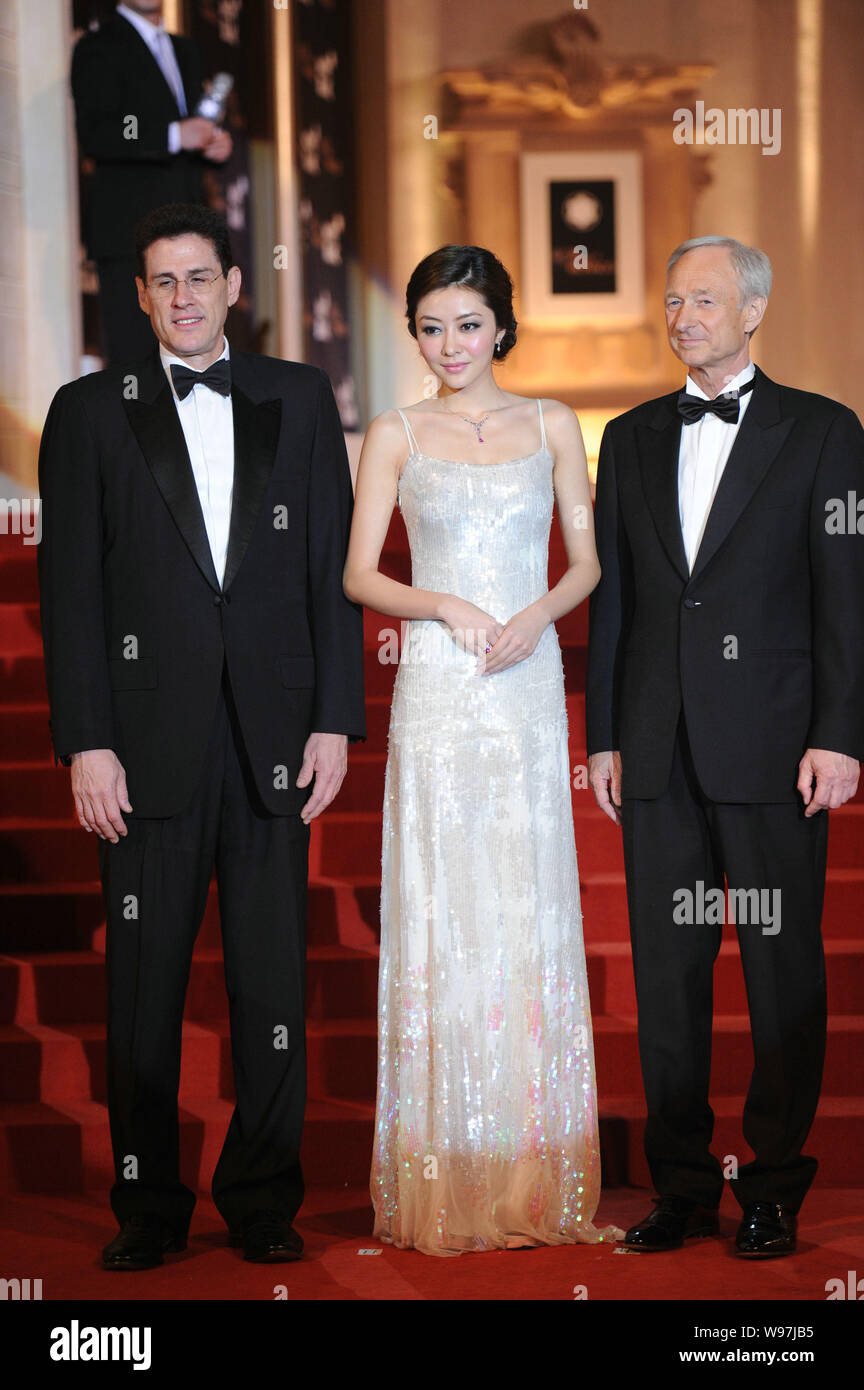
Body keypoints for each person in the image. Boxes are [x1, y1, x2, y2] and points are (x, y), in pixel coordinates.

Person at [37, 201, 365, 1269]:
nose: (182, 298)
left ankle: (263, 1200)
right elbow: (71, 589)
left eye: (199, 278)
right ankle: (150, 1207)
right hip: (142, 747)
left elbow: (327, 570)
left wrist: (333, 717)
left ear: (234, 284)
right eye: (161, 283)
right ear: (140, 298)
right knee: (145, 990)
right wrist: (87, 738)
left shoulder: (302, 397)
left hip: (274, 738)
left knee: (271, 985)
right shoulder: (88, 411)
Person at [586, 235, 864, 1258]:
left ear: (754, 312)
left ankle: (776, 1187)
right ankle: (684, 1186)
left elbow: (848, 598)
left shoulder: (826, 433)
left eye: (703, 300)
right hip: (656, 751)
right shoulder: (628, 435)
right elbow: (617, 596)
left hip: (775, 746)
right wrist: (607, 734)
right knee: (667, 978)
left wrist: (841, 734)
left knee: (782, 973)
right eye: (672, 301)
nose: (682, 316)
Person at [343, 244, 622, 1256]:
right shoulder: (394, 431)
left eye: (467, 323)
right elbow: (359, 573)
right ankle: (442, 1170)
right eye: (430, 326)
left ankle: (531, 1171)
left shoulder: (552, 424)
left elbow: (586, 560)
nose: (450, 344)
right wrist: (445, 602)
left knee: (525, 899)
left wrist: (534, 615)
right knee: (442, 901)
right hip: (438, 678)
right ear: (413, 334)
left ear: (500, 324)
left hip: (525, 678)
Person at [72, 1, 232, 362]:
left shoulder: (185, 49)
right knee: (137, 362)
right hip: (129, 235)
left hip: (192, 232)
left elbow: (194, 128)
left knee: (201, 355)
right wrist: (174, 135)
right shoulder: (97, 46)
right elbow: (97, 133)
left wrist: (213, 145)